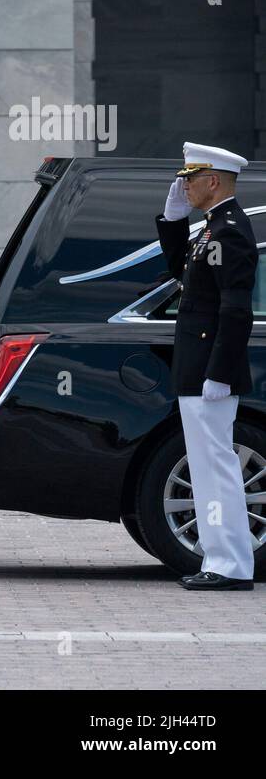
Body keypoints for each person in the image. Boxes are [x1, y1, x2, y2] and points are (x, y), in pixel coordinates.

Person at [156, 142, 257, 591]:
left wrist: (219, 371)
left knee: (216, 466)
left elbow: (236, 311)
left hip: (208, 370)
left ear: (212, 181)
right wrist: (174, 221)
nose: (184, 185)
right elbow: (183, 273)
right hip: (197, 367)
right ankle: (219, 559)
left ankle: (231, 564)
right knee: (205, 467)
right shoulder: (210, 229)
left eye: (189, 179)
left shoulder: (230, 230)